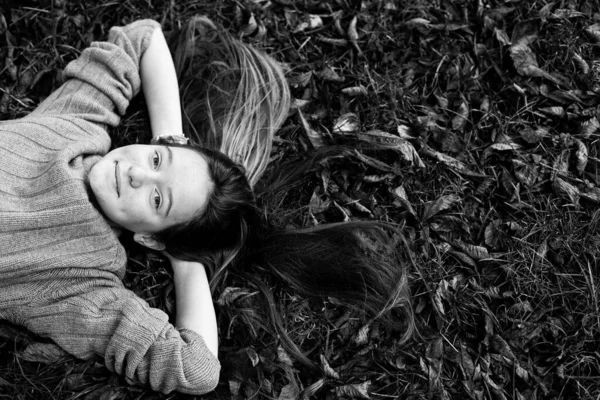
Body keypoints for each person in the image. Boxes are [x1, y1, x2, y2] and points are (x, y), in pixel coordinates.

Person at [0, 15, 413, 395]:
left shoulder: (83, 280)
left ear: (149, 236)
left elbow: (196, 368)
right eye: (156, 160)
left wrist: (183, 254)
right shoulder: (81, 123)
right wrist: (171, 142)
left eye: (158, 199)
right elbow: (145, 37)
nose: (136, 173)